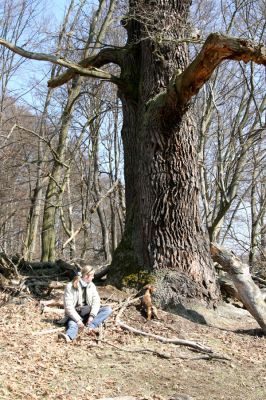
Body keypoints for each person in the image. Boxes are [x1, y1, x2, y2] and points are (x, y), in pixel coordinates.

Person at [58, 265, 112, 343]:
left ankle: (91, 327)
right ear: (86, 276)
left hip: (88, 313)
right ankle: (68, 337)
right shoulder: (70, 286)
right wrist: (78, 320)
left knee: (107, 309)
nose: (93, 277)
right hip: (75, 314)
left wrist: (92, 316)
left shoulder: (92, 285)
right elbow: (68, 307)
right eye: (92, 276)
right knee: (73, 325)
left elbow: (96, 302)